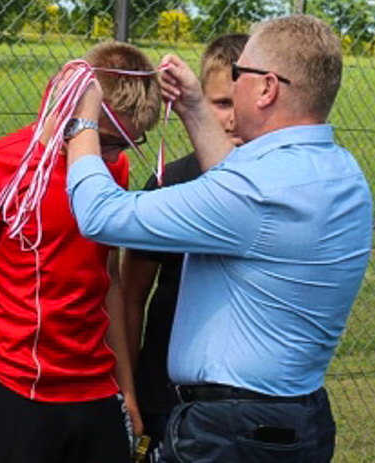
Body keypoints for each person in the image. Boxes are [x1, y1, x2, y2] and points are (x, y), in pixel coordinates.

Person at [66, 15, 372, 462]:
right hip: (296, 419)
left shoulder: (257, 192)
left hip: (231, 435)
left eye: (238, 74)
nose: (233, 83)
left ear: (267, 88)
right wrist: (193, 106)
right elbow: (236, 179)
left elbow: (99, 214)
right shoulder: (340, 172)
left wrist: (83, 119)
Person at [0, 41, 162, 463]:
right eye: (110, 141)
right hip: (15, 386)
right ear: (77, 115)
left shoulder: (111, 170)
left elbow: (109, 278)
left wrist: (126, 390)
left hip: (96, 388)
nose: (115, 156)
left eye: (129, 145)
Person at [121, 33, 248, 457]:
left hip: (243, 394)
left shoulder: (275, 186)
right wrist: (131, 390)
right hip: (165, 391)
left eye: (238, 102)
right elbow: (131, 297)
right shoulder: (169, 183)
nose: (230, 118)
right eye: (220, 103)